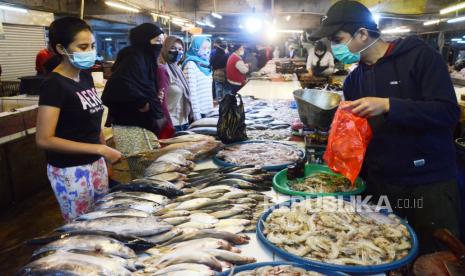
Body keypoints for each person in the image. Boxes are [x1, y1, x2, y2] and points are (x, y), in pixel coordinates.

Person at [311, 0, 460, 254]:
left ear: (362, 33)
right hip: (382, 186)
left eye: (338, 38)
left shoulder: (420, 57)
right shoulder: (354, 80)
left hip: (427, 185)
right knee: (384, 252)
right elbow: (360, 136)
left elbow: (448, 113)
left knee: (435, 258)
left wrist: (390, 105)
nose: (335, 47)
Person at [35, 17, 121, 222]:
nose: (89, 51)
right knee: (83, 228)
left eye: (91, 46)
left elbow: (93, 121)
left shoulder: (85, 76)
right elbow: (44, 139)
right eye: (82, 47)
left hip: (95, 164)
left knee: (103, 218)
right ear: (61, 48)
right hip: (70, 171)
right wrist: (100, 149)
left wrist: (102, 156)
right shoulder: (54, 85)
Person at [102, 23, 166, 136]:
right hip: (130, 125)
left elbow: (143, 85)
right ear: (144, 40)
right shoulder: (134, 58)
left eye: (161, 41)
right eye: (157, 41)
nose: (160, 45)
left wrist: (153, 97)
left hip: (140, 123)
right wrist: (142, 103)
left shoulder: (146, 58)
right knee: (138, 154)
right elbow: (119, 85)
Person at [158, 36, 193, 132]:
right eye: (173, 48)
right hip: (171, 124)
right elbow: (160, 100)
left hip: (184, 122)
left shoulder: (178, 69)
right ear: (165, 49)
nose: (177, 52)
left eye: (180, 49)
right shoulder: (162, 70)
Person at [182, 35, 213, 120]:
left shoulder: (206, 64)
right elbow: (191, 92)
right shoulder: (191, 64)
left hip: (207, 110)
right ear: (195, 48)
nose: (207, 51)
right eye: (204, 48)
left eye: (209, 48)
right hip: (198, 113)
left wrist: (211, 109)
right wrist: (196, 114)